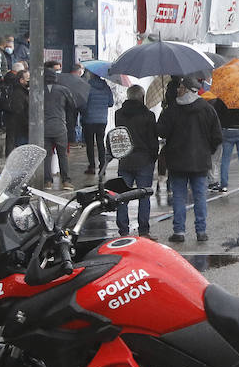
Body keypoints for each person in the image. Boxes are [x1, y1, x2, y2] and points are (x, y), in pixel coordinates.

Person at [157, 76, 222, 243]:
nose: (178, 90)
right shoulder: (207, 109)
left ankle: (179, 231)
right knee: (200, 196)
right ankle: (201, 231)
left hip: (177, 161)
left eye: (180, 87)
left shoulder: (172, 109)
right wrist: (207, 150)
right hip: (200, 161)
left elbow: (161, 132)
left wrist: (165, 111)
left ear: (186, 89)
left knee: (179, 196)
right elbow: (217, 136)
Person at [113, 84, 159, 239]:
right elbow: (153, 140)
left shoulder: (119, 114)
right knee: (144, 195)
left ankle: (123, 230)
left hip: (125, 159)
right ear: (142, 97)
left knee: (122, 196)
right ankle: (144, 231)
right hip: (144, 159)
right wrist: (154, 156)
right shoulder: (148, 115)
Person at [39, 62, 77, 190]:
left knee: (47, 155)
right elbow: (72, 105)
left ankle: (47, 182)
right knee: (62, 154)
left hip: (44, 128)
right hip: (60, 126)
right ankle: (66, 181)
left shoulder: (39, 90)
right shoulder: (63, 90)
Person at [212, 98, 239, 193]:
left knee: (225, 158)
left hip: (228, 129)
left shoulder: (225, 96)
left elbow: (216, 111)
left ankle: (224, 185)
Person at [83, 70, 114, 174]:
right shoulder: (106, 87)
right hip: (102, 120)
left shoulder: (87, 87)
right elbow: (111, 103)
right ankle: (102, 167)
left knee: (90, 144)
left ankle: (92, 166)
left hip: (89, 119)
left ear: (91, 75)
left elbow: (83, 103)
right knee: (100, 143)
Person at [3, 68, 31, 156]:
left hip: (17, 124)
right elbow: (19, 110)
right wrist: (26, 123)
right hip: (18, 125)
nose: (29, 81)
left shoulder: (22, 91)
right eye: (27, 79)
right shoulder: (19, 93)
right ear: (21, 80)